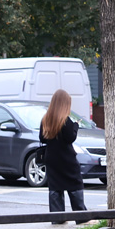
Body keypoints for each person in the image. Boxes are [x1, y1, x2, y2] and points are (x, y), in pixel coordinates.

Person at [39, 88, 87, 219]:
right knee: (75, 184)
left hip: (52, 159)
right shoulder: (66, 121)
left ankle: (57, 218)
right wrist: (75, 126)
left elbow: (42, 138)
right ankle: (81, 216)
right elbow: (70, 138)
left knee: (55, 187)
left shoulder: (46, 119)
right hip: (66, 159)